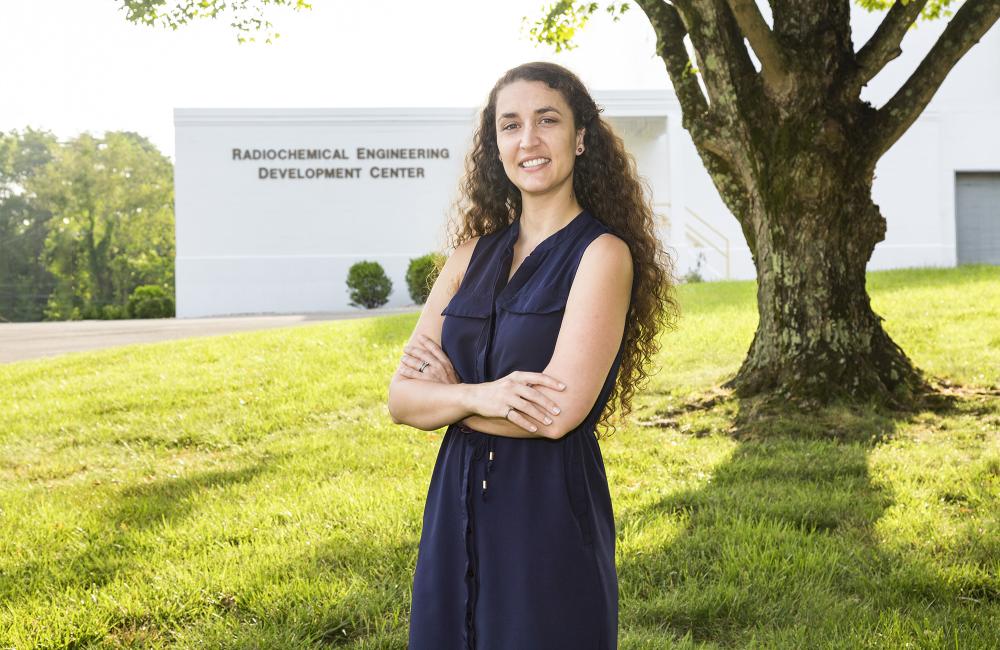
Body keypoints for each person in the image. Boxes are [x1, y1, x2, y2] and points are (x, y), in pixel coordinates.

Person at [387, 61, 678, 650]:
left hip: (546, 512)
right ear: (494, 146)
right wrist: (484, 396)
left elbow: (555, 415)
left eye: (547, 120)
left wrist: (445, 401)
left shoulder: (602, 255)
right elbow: (400, 399)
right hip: (455, 503)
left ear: (580, 137)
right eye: (510, 125)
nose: (529, 140)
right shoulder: (467, 258)